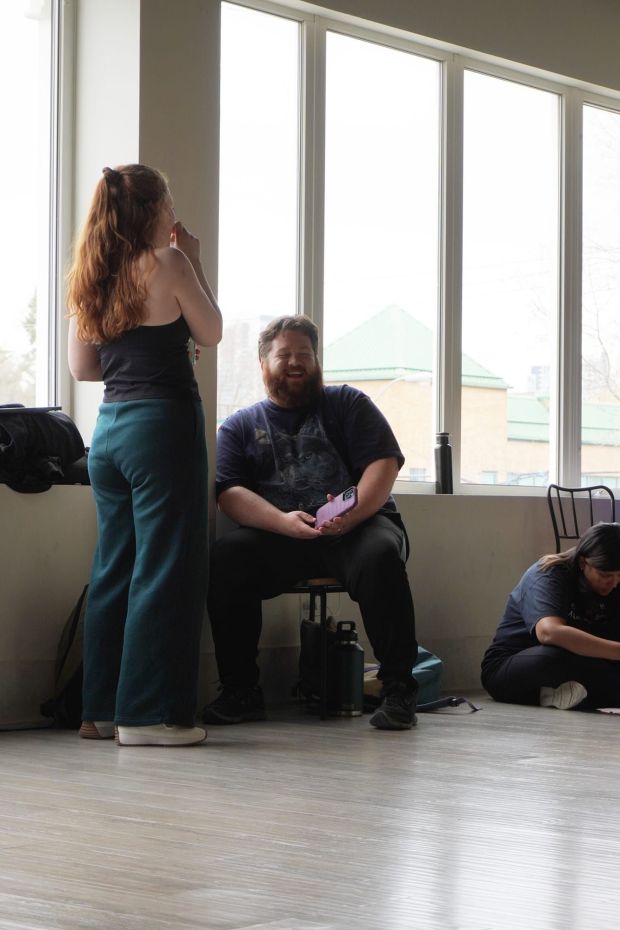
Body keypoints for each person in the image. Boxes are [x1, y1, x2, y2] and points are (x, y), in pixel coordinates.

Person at [67, 164, 222, 746]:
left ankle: (101, 710)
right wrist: (196, 262)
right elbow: (211, 332)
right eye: (169, 202)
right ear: (152, 210)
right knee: (166, 566)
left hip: (109, 433)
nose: (174, 213)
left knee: (115, 567)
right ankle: (149, 716)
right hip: (163, 427)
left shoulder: (92, 273)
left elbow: (84, 369)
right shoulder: (170, 262)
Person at [204, 314, 418, 731]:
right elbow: (229, 494)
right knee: (226, 558)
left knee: (380, 555)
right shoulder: (238, 426)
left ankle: (399, 689)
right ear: (263, 364)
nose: (296, 362)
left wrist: (350, 516)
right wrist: (283, 523)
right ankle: (240, 691)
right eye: (284, 354)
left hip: (357, 527)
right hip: (281, 534)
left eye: (305, 354)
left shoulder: (348, 403)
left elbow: (383, 465)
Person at [481, 522, 620, 711]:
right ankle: (572, 692)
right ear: (583, 563)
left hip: (582, 663)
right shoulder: (549, 574)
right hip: (518, 666)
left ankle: (565, 694)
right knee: (557, 658)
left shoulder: (615, 584)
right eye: (605, 575)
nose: (614, 582)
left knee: (598, 666)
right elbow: (549, 632)